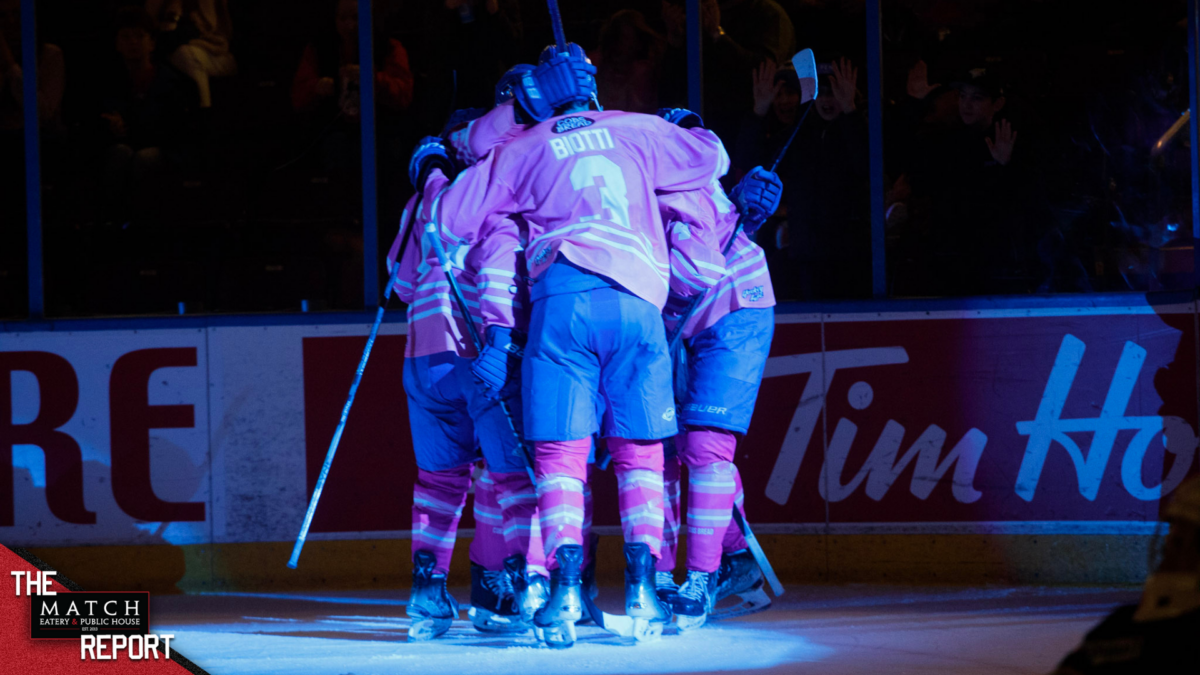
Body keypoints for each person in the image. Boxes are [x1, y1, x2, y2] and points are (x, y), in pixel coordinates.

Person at [412, 43, 730, 648]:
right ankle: (642, 591)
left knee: (560, 461)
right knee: (641, 456)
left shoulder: (523, 148)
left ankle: (560, 593)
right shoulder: (637, 129)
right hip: (639, 307)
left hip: (561, 308)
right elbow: (712, 156)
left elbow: (446, 221)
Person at [654, 127, 782, 628]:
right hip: (668, 325)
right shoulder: (622, 177)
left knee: (705, 446)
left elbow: (716, 211)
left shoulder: (695, 179)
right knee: (656, 447)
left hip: (734, 307)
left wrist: (741, 205)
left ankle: (700, 579)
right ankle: (725, 564)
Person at [735, 58, 869, 299]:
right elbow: (750, 162)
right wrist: (759, 111)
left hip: (850, 259)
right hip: (805, 257)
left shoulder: (858, 130)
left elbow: (865, 166)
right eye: (823, 92)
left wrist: (849, 110)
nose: (828, 99)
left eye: (835, 92)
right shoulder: (798, 138)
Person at [145, 0, 236, 109]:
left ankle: (204, 107)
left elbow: (209, 31)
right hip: (171, 46)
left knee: (188, 55)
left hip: (206, 48)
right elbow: (161, 31)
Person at [590, 9, 666, 114]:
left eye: (625, 38)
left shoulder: (643, 71)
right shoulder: (592, 65)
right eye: (616, 37)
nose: (618, 45)